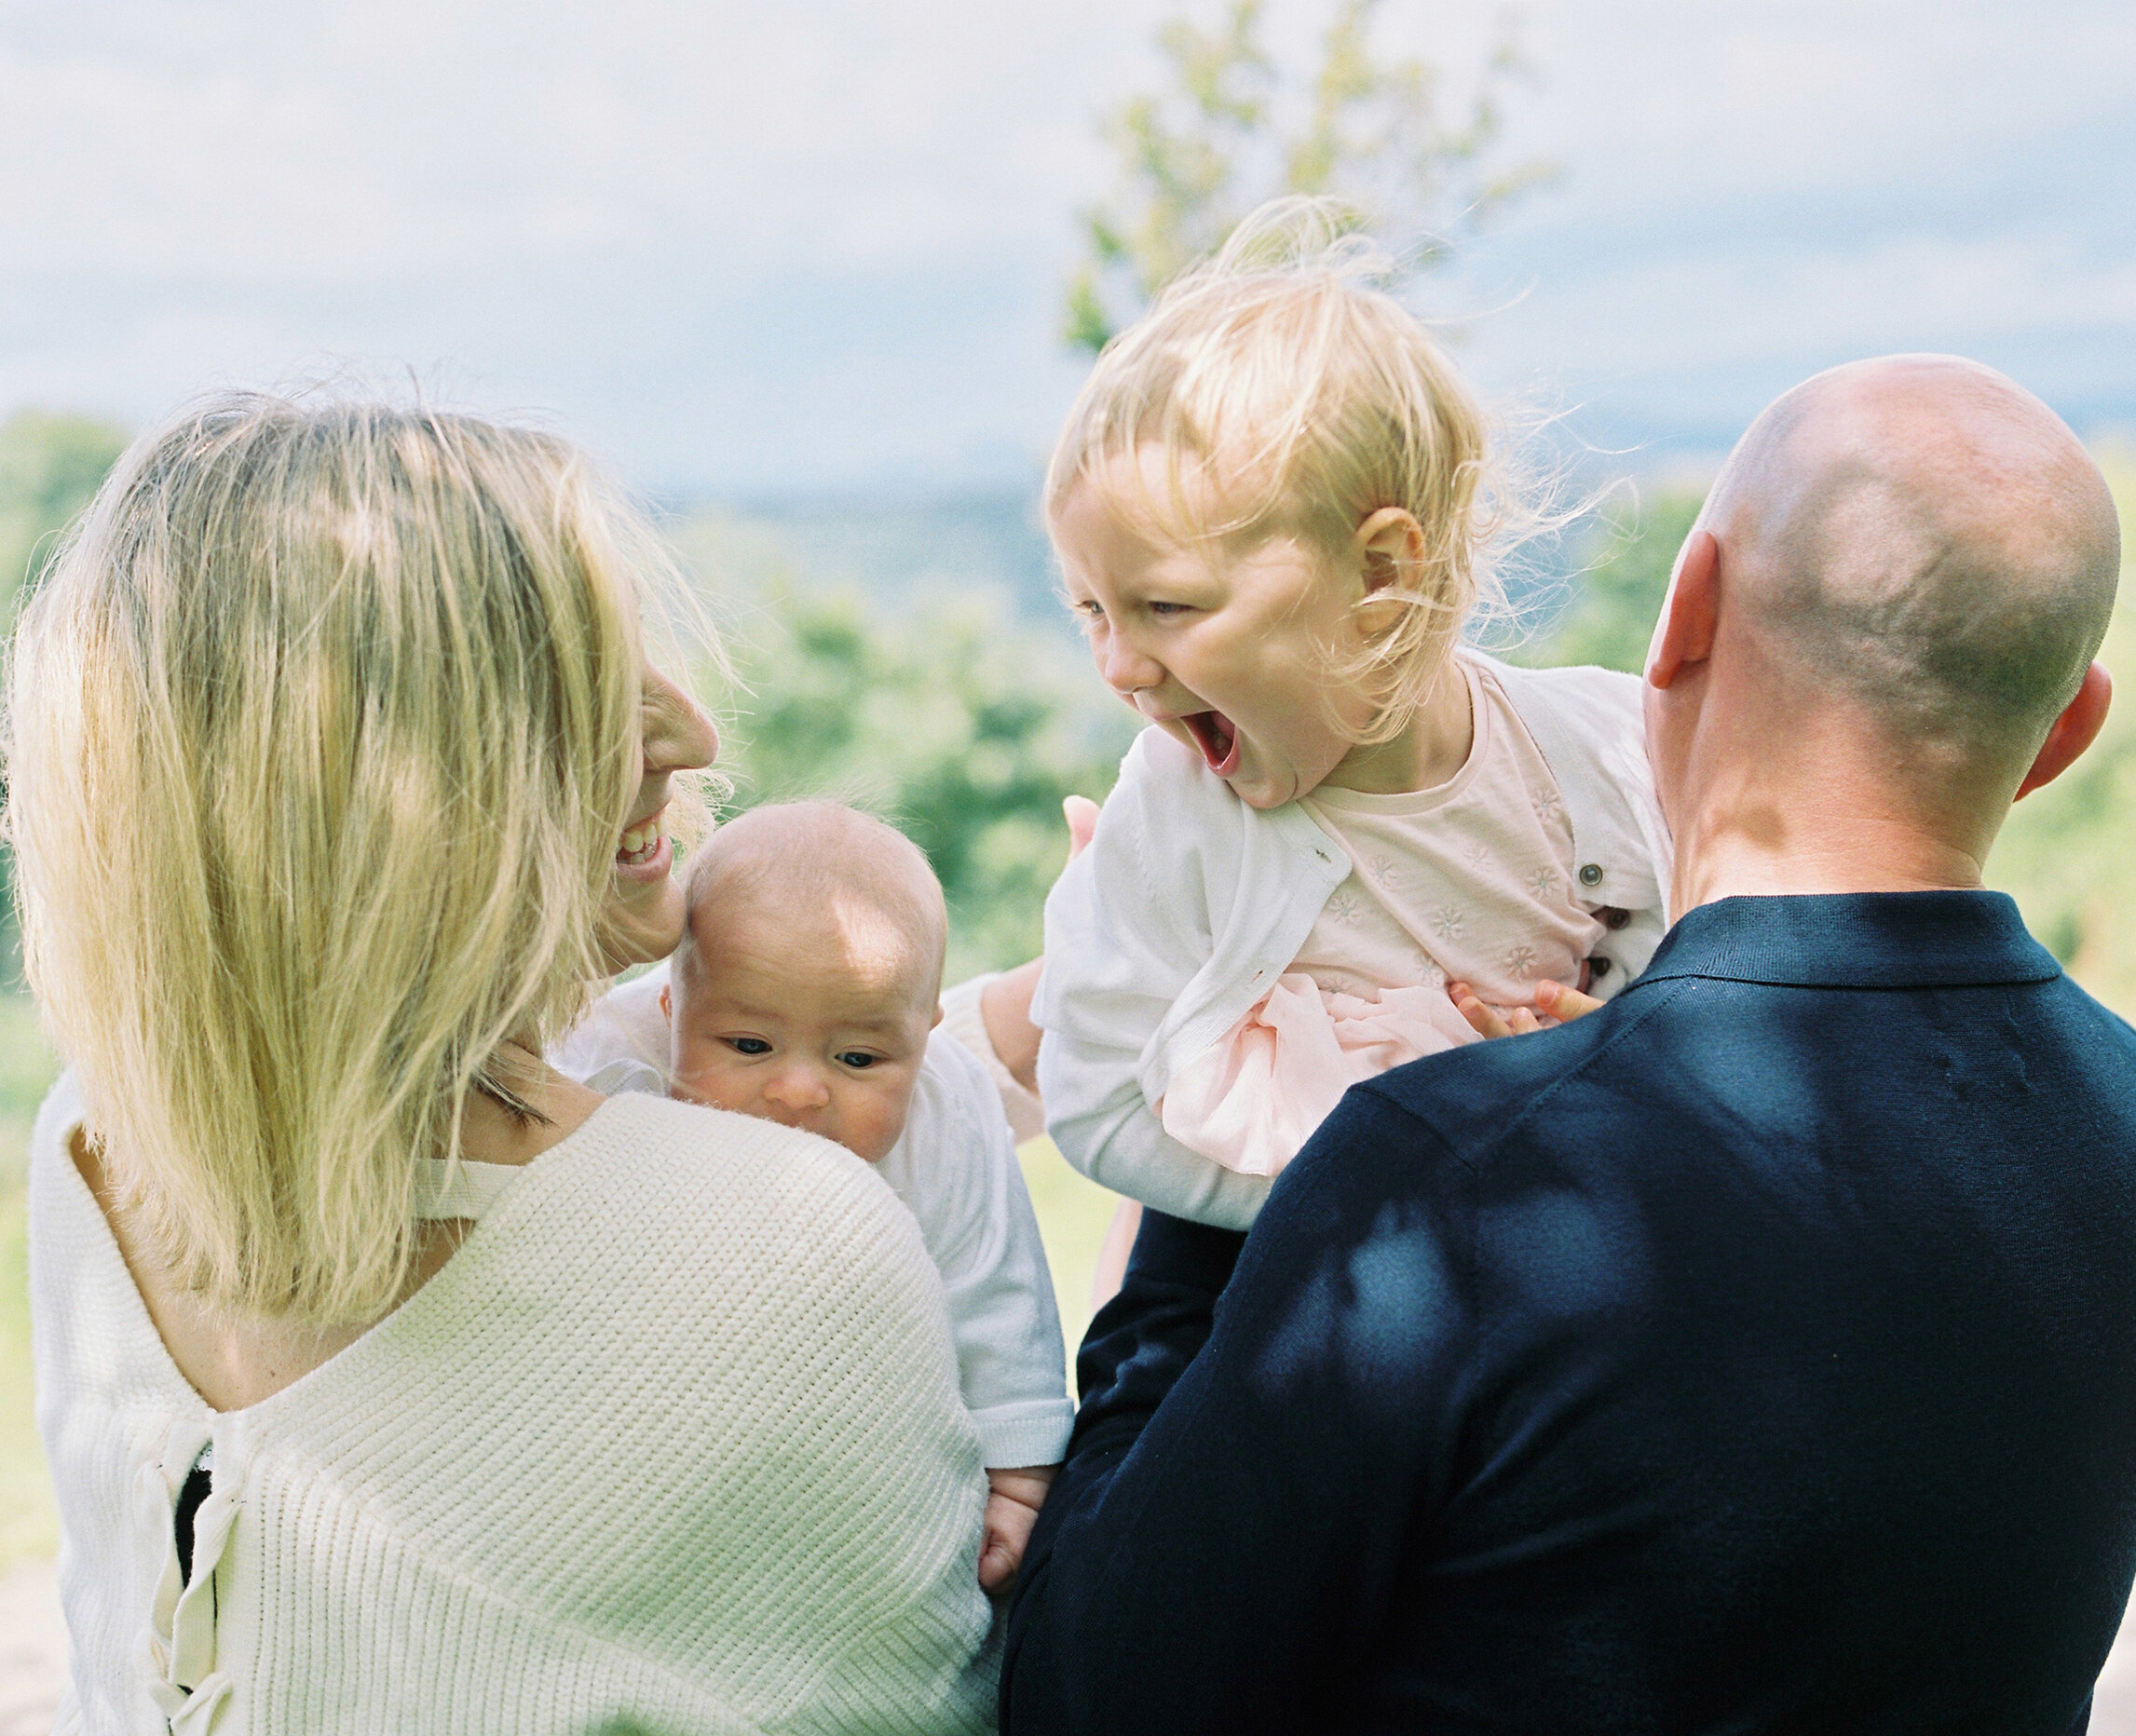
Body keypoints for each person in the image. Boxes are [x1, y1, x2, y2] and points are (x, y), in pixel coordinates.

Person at [1001, 355, 2136, 1734]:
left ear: (1684, 610)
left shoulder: (1452, 1176)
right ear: (2068, 731)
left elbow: (1086, 1698)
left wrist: (1208, 1056)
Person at [15, 394, 1000, 1733]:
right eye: (582, 683)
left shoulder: (91, 1153)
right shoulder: (781, 1248)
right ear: (379, 801)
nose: (692, 734)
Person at [1035, 200, 1665, 1231]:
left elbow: (1722, 1000)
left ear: (1380, 570)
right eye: (1091, 610)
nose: (1118, 663)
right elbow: (1097, 1100)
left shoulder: (1603, 751)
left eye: (1167, 606)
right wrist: (1364, 1193)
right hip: (1304, 1282)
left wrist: (1617, 1069)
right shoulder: (1176, 818)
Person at [552, 801, 1073, 1591]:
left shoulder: (947, 1111)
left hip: (870, 1464)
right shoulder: (608, 1066)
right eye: (750, 1045)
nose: (799, 1091)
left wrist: (1019, 1480)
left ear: (926, 1036)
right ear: (672, 1008)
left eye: (859, 1058)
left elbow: (997, 1289)